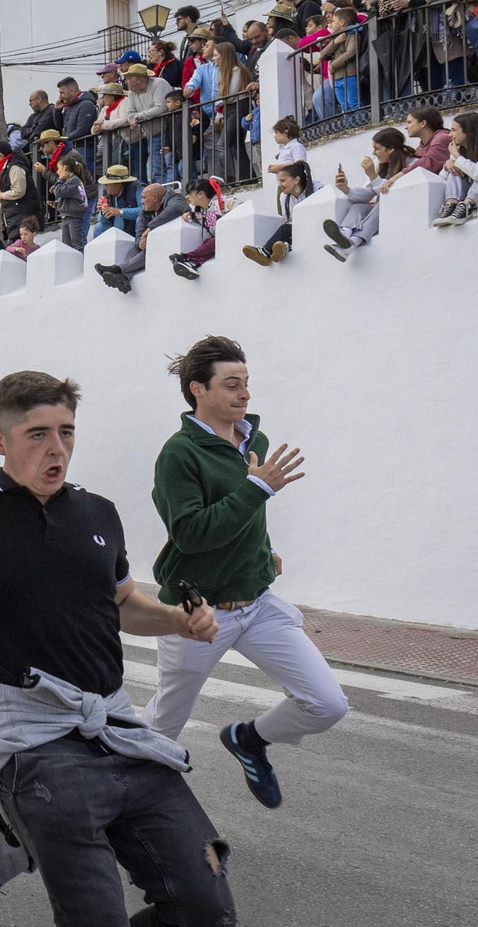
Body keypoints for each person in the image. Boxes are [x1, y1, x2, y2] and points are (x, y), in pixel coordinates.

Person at [0, 370, 229, 926]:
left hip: (117, 726)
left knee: (205, 906)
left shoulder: (99, 512)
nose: (57, 447)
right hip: (33, 737)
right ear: (1, 441)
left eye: (66, 431)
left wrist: (179, 622)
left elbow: (122, 603)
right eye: (38, 434)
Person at [144, 336, 348, 808]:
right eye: (232, 385)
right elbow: (191, 533)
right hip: (195, 614)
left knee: (327, 704)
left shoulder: (254, 440)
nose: (245, 394)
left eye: (247, 383)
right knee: (162, 727)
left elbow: (249, 517)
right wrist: (258, 487)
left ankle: (248, 739)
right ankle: (125, 805)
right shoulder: (179, 455)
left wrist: (264, 550)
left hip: (256, 603)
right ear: (198, 389)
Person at [322, 127, 416, 261]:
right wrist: (346, 189)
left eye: (377, 148)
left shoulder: (411, 164)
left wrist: (373, 175)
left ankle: (353, 242)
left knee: (381, 206)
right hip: (382, 213)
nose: (374, 153)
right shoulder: (383, 167)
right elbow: (367, 194)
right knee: (357, 207)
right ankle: (345, 233)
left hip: (399, 211)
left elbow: (389, 193)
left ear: (390, 149)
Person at [431, 111, 478, 227]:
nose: (449, 135)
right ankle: (451, 205)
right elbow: (443, 178)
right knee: (454, 170)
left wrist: (457, 156)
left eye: (454, 130)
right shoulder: (460, 148)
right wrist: (447, 165)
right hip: (468, 191)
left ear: (468, 131)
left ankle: (468, 206)